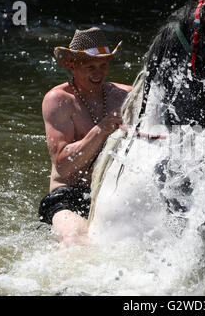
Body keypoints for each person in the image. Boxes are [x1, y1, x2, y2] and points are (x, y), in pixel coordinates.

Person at [38, 27, 132, 248]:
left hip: (113, 195)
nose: (98, 73)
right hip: (69, 196)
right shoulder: (59, 100)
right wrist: (102, 128)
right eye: (90, 67)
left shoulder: (126, 96)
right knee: (75, 238)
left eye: (103, 66)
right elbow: (62, 165)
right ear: (71, 65)